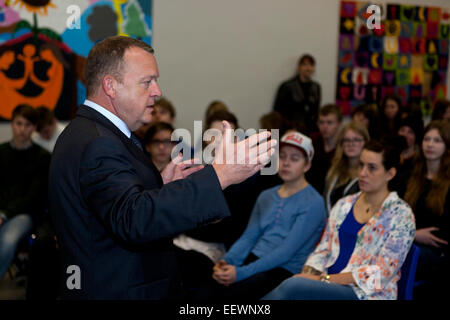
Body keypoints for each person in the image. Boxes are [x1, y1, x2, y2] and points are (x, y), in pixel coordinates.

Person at [48, 36, 276, 300]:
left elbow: (112, 207)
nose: (157, 91)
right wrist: (220, 174)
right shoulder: (100, 142)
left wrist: (159, 187)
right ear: (110, 86)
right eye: (147, 82)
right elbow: (134, 220)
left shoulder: (93, 132)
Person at [263, 138, 415, 300]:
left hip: (365, 294)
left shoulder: (401, 215)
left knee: (291, 287)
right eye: (361, 165)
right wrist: (308, 274)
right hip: (328, 284)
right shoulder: (344, 204)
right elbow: (323, 250)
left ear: (390, 174)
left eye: (372, 168)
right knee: (294, 285)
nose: (362, 173)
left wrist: (324, 280)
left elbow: (381, 272)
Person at [192, 131, 326, 301]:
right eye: (282, 156)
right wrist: (227, 261)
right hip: (255, 261)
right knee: (205, 291)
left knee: (232, 296)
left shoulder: (314, 202)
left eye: (295, 158)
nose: (286, 163)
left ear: (307, 165)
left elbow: (286, 251)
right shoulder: (266, 195)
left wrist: (240, 273)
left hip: (284, 270)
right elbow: (249, 236)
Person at [0, 104, 51, 279]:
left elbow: (32, 197)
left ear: (34, 128)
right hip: (3, 212)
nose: (22, 129)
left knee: (7, 240)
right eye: (18, 123)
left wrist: (4, 215)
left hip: (25, 214)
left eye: (27, 125)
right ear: (12, 124)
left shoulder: (43, 157)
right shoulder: (1, 151)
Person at [403, 120, 449, 300]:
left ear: (447, 145)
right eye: (427, 139)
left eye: (437, 140)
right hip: (409, 241)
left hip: (438, 251)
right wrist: (413, 234)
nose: (430, 144)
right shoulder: (411, 175)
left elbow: (442, 234)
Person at [324, 121, 369, 213]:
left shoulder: (370, 174)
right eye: (346, 140)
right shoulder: (334, 172)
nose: (351, 144)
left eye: (356, 139)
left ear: (365, 142)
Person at [273, 54, 321, 134]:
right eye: (304, 64)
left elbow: (316, 110)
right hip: (289, 129)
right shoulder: (287, 86)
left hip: (310, 129)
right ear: (299, 67)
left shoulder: (316, 87)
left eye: (311, 65)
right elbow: (277, 112)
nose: (308, 68)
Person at [306, 104, 343, 194]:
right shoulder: (311, 141)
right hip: (311, 190)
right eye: (321, 122)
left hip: (334, 192)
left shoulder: (345, 145)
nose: (325, 127)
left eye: (329, 123)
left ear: (339, 124)